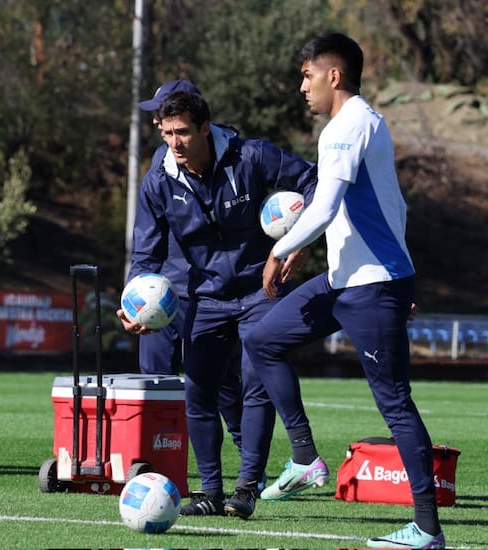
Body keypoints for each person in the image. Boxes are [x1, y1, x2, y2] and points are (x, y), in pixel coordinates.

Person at [243, 33, 446, 549]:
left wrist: (280, 249)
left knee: (395, 403)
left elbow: (326, 205)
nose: (302, 86)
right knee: (262, 339)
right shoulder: (363, 123)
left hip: (372, 287)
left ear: (333, 76)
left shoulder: (347, 126)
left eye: (307, 75)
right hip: (348, 281)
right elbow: (390, 208)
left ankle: (427, 530)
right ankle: (305, 458)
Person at [118, 91, 316, 519]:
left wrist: (300, 240)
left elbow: (315, 181)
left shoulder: (252, 156)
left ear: (205, 128)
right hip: (204, 298)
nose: (174, 142)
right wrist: (134, 305)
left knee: (255, 383)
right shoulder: (159, 181)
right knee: (198, 391)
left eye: (183, 132)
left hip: (261, 290)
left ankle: (246, 489)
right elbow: (146, 255)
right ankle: (209, 492)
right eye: (168, 133)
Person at [137, 80, 246, 460]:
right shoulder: (161, 161)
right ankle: (157, 461)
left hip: (211, 293)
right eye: (157, 117)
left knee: (223, 383)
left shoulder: (235, 155)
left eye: (162, 112)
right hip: (163, 292)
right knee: (154, 380)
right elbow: (147, 239)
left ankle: (250, 461)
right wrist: (137, 290)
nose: (156, 121)